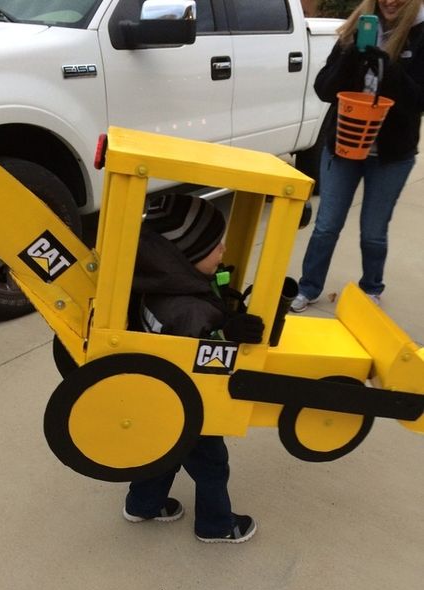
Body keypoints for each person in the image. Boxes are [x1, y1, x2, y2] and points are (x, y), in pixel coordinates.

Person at [123, 194, 264, 543]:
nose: (223, 250)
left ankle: (143, 504)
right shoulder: (186, 309)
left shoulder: (159, 285)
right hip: (190, 403)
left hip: (158, 398)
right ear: (186, 254)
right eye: (215, 246)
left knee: (163, 452)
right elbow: (202, 359)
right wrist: (229, 333)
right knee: (212, 464)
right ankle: (216, 525)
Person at [291, 0, 424, 313]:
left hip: (391, 155)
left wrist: (389, 69)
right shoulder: (356, 29)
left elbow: (418, 100)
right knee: (326, 225)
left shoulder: (420, 36)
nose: (390, 1)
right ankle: (309, 286)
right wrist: (349, 60)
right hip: (344, 146)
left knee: (374, 230)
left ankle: (371, 288)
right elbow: (324, 89)